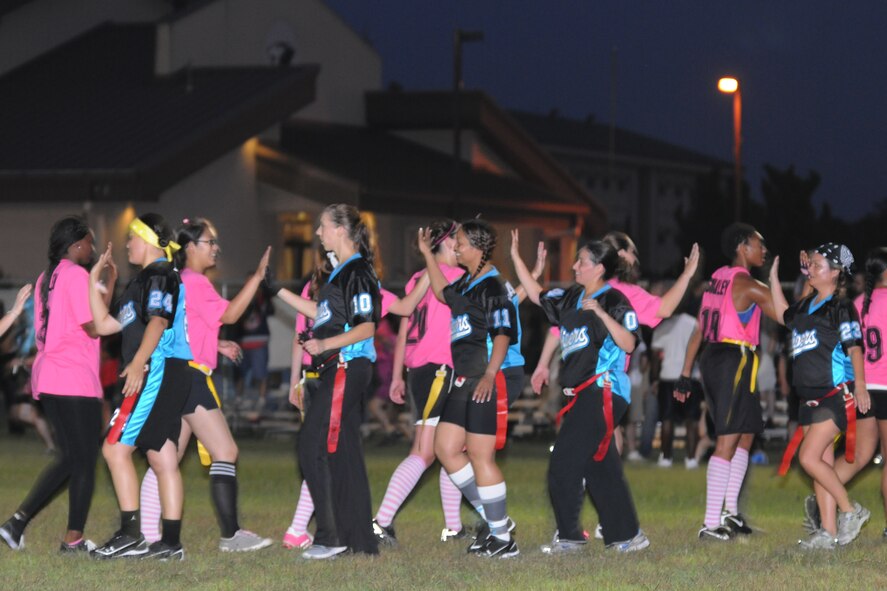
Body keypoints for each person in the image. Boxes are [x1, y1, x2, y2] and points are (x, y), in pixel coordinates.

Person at [137, 218, 273, 552]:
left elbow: (186, 331)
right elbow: (229, 316)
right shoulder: (194, 281)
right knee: (225, 451)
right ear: (189, 248)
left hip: (178, 373)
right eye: (209, 242)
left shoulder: (180, 281)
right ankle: (231, 535)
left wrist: (216, 346)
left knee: (167, 457)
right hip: (190, 377)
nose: (215, 248)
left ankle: (144, 534)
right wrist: (256, 278)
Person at [513, 231, 648, 554]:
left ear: (599, 268)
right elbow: (536, 295)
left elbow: (630, 342)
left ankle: (570, 537)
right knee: (599, 464)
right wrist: (517, 257)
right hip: (582, 394)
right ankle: (628, 535)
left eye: (582, 262)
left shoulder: (614, 300)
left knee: (563, 461)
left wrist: (600, 314)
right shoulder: (572, 296)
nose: (575, 266)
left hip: (604, 389)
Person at [272, 203, 382, 559]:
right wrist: (275, 289)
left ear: (340, 230)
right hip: (341, 367)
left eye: (322, 227)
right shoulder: (342, 273)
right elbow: (320, 312)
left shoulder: (358, 271)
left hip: (347, 367)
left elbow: (367, 326)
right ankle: (359, 540)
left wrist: (324, 344)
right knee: (343, 452)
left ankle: (331, 536)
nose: (317, 233)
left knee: (311, 446)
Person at [87, 213, 192, 560]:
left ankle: (131, 535)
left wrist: (136, 362)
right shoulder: (141, 281)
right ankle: (171, 543)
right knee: (161, 457)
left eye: (131, 238)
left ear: (147, 239)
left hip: (153, 367)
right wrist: (94, 280)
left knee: (114, 449)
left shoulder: (160, 274)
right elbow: (103, 326)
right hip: (153, 367)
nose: (127, 244)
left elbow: (159, 320)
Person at [416, 219, 521, 559]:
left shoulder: (493, 286)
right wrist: (427, 256)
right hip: (467, 375)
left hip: (489, 375)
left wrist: (491, 374)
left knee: (479, 455)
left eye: (460, 242)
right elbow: (439, 292)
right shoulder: (467, 282)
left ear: (476, 246)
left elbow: (503, 333)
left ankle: (503, 537)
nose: (456, 247)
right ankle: (497, 523)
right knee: (445, 447)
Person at [674, 223, 778, 540]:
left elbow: (698, 332)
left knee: (746, 435)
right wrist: (777, 281)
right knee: (728, 439)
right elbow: (788, 315)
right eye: (758, 244)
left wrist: (685, 373)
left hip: (720, 358)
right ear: (742, 248)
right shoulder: (747, 284)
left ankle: (730, 513)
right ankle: (711, 523)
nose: (764, 249)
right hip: (732, 358)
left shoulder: (717, 280)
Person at [770, 244, 870, 549]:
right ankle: (827, 533)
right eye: (809, 265)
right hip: (808, 400)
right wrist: (773, 277)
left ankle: (851, 511)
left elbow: (854, 348)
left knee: (808, 457)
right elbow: (782, 315)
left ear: (836, 272)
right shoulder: (806, 305)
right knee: (821, 464)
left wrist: (862, 386)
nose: (810, 268)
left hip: (835, 396)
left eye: (817, 265)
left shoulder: (841, 306)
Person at [798, 247, 887, 540]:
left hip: (860, 387)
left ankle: (826, 499)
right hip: (883, 385)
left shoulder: (859, 302)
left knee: (860, 455)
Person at [652, 298, 703, 469]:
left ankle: (666, 458)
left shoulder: (663, 326)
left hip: (668, 377)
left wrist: (654, 379)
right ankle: (691, 458)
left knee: (667, 419)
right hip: (690, 376)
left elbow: (655, 357)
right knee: (691, 419)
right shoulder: (693, 323)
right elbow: (701, 348)